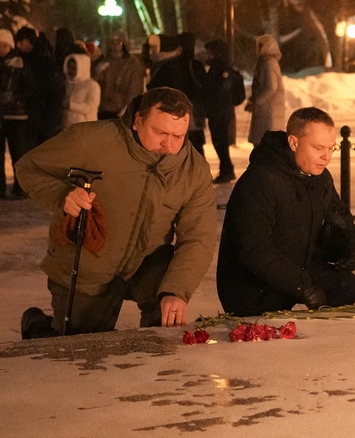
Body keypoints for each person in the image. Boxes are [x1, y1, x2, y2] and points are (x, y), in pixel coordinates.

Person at [14, 86, 217, 338]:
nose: (169, 143)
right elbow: (27, 168)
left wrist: (177, 291)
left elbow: (199, 236)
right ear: (137, 121)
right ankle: (38, 326)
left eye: (179, 136)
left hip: (147, 263)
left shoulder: (194, 170)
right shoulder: (89, 141)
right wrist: (62, 195)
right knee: (80, 344)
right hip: (89, 260)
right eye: (160, 132)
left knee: (165, 324)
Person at [216, 106, 355, 316]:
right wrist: (303, 288)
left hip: (297, 267)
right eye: (319, 148)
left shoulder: (320, 177)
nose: (327, 157)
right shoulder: (261, 179)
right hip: (253, 283)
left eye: (332, 148)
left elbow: (340, 216)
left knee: (345, 285)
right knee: (268, 314)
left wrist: (352, 247)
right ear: (294, 143)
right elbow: (253, 249)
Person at [0, 29, 34, 199]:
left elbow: (30, 89)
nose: (1, 49)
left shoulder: (20, 64)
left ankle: (19, 186)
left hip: (18, 116)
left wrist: (15, 98)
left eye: (4, 45)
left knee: (18, 153)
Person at [149, 31, 207, 152]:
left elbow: (156, 86)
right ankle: (195, 169)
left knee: (178, 145)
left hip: (175, 110)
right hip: (192, 110)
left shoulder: (169, 65)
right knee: (194, 146)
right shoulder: (194, 65)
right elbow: (203, 88)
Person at [201, 39, 245, 182]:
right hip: (222, 111)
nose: (208, 55)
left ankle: (226, 170)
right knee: (220, 142)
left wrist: (210, 101)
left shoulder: (218, 70)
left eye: (210, 52)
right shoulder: (224, 68)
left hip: (218, 112)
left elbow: (216, 91)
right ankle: (226, 169)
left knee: (220, 142)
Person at [15, 26, 64, 143]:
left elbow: (46, 88)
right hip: (40, 112)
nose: (17, 46)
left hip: (44, 114)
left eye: (19, 42)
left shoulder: (40, 60)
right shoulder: (36, 57)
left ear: (27, 41)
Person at [247, 33, 287, 145]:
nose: (256, 49)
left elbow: (270, 87)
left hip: (267, 111)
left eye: (258, 46)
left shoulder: (267, 63)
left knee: (264, 144)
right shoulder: (269, 62)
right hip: (267, 110)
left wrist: (256, 101)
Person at [97, 32, 144, 120]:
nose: (115, 46)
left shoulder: (132, 64)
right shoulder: (104, 62)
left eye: (119, 43)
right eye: (113, 43)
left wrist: (127, 107)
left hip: (120, 109)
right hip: (103, 109)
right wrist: (97, 72)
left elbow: (135, 87)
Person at [63, 47, 100, 127]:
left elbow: (91, 107)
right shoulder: (67, 84)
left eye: (74, 68)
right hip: (68, 127)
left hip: (85, 128)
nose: (71, 71)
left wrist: (70, 105)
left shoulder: (92, 85)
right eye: (69, 67)